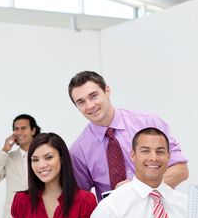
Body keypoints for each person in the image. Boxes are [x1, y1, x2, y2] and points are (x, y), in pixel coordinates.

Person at [68, 71, 188, 202]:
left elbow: (180, 170)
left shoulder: (148, 123)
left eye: (93, 96)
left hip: (160, 212)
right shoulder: (78, 151)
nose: (90, 105)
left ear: (107, 91)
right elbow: (80, 199)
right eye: (81, 102)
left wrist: (135, 191)